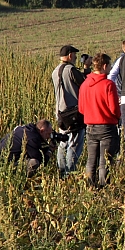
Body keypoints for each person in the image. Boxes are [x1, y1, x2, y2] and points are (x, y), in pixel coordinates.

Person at [78, 53, 121, 189]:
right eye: (109, 66)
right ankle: (104, 188)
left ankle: (89, 186)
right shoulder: (108, 84)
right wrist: (117, 117)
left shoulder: (85, 84)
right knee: (105, 161)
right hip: (107, 126)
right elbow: (114, 108)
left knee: (91, 159)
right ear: (104, 66)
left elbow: (81, 108)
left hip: (90, 125)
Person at [52, 44, 86, 176]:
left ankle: (61, 170)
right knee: (74, 143)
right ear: (70, 55)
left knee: (63, 142)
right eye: (75, 56)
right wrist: (86, 69)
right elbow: (83, 83)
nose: (76, 58)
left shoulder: (55, 71)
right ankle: (70, 172)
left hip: (60, 112)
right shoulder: (71, 70)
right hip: (73, 112)